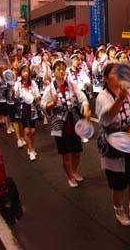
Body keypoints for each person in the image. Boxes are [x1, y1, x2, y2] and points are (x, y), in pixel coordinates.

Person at [96, 62, 130, 226]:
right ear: (105, 78)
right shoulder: (102, 97)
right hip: (112, 143)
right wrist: (120, 99)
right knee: (117, 183)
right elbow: (107, 116)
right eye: (114, 73)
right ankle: (119, 211)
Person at [41, 59, 91, 188]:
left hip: (73, 119)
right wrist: (52, 103)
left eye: (63, 69)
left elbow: (82, 98)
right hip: (59, 121)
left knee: (77, 151)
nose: (62, 71)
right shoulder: (50, 88)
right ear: (54, 72)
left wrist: (85, 108)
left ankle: (74, 171)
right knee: (66, 153)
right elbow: (43, 105)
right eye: (59, 69)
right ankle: (69, 175)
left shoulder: (71, 85)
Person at [13, 64, 40, 161]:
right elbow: (15, 96)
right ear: (20, 73)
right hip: (22, 108)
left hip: (32, 107)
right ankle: (30, 150)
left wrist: (34, 97)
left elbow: (37, 94)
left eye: (27, 71)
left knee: (32, 130)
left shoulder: (32, 83)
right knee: (27, 131)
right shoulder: (18, 84)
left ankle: (31, 146)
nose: (26, 73)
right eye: (24, 71)